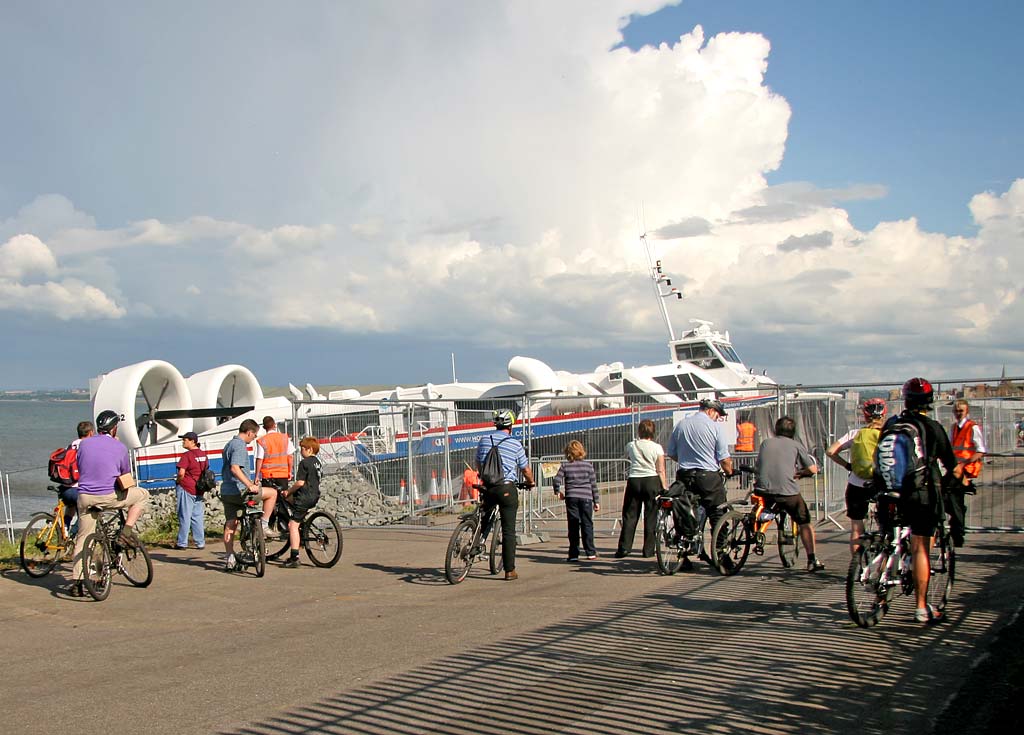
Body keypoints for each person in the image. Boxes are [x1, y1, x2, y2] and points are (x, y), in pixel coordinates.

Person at [886, 378, 960, 624]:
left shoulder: (892, 424)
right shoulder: (932, 427)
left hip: (890, 490)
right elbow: (952, 466)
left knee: (891, 535)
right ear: (929, 401)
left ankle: (880, 590)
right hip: (921, 493)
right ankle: (920, 607)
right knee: (920, 546)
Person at [68, 410, 150, 597]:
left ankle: (77, 582)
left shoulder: (84, 444)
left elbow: (81, 467)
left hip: (85, 496)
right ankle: (126, 532)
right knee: (142, 495)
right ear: (114, 428)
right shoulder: (119, 447)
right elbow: (125, 474)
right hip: (108, 495)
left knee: (83, 538)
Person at [666, 398, 733, 569]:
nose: (718, 419)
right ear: (711, 411)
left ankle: (684, 554)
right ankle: (721, 554)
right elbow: (724, 458)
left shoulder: (681, 425)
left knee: (685, 512)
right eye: (718, 415)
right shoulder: (715, 427)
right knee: (718, 513)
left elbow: (672, 453)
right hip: (708, 476)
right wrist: (729, 472)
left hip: (685, 475)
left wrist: (687, 460)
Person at [754, 416, 824, 571]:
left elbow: (760, 466)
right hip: (786, 492)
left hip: (763, 489)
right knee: (804, 521)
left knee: (765, 506)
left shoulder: (765, 443)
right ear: (793, 431)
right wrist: (801, 473)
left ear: (775, 430)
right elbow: (812, 469)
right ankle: (812, 559)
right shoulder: (795, 445)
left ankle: (757, 529)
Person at [474, 409, 535, 581]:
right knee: (508, 530)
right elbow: (525, 469)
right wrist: (530, 482)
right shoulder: (515, 444)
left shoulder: (484, 439)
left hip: (487, 486)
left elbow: (478, 462)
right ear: (511, 425)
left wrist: (483, 477)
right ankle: (509, 571)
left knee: (484, 517)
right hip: (506, 488)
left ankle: (476, 542)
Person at [826, 398, 888, 554]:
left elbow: (830, 451)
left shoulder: (855, 433)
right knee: (886, 526)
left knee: (856, 526)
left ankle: (857, 567)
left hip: (856, 483)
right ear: (884, 415)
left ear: (865, 416)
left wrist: (847, 465)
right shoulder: (887, 435)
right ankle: (883, 567)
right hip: (880, 483)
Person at [220, 419, 278, 572]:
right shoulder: (239, 445)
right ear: (249, 432)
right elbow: (235, 468)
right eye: (254, 436)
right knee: (272, 493)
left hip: (227, 491)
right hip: (241, 491)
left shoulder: (229, 444)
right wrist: (249, 484)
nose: (253, 439)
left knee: (231, 523)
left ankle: (229, 557)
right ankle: (264, 524)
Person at [615, 419, 666, 559]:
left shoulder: (631, 445)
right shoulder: (657, 448)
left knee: (630, 515)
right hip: (651, 480)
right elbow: (660, 469)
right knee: (651, 516)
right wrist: (665, 487)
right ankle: (648, 550)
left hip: (634, 480)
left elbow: (626, 457)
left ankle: (624, 548)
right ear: (653, 432)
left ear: (639, 431)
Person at [279, 436, 323, 568]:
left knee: (292, 524)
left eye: (302, 449)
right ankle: (301, 529)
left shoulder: (304, 463)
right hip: (315, 495)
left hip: (304, 496)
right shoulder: (317, 462)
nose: (301, 452)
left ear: (309, 449)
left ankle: (294, 557)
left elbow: (300, 482)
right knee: (294, 508)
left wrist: (289, 491)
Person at [552, 440, 600, 561]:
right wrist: (597, 501)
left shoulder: (565, 466)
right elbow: (593, 485)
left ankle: (573, 554)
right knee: (587, 524)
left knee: (573, 525)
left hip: (571, 497)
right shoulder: (588, 466)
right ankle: (590, 552)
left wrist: (557, 491)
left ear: (568, 453)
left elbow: (556, 480)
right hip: (587, 497)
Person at [948, 399, 986, 546]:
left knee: (954, 497)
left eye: (961, 411)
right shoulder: (954, 428)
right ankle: (956, 528)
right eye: (956, 411)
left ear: (967, 411)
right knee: (952, 497)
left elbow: (980, 450)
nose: (958, 413)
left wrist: (964, 463)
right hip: (956, 468)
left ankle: (957, 530)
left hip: (966, 469)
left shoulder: (972, 427)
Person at [255, 416, 292, 538]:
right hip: (282, 474)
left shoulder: (262, 441)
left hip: (268, 475)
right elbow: (290, 456)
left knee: (269, 501)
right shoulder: (284, 438)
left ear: (264, 427)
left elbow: (259, 459)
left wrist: (256, 475)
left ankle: (268, 527)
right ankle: (284, 527)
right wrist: (289, 472)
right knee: (283, 500)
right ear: (275, 425)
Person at [56, 420, 94, 533]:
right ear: (91, 433)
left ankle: (65, 529)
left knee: (71, 506)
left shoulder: (70, 447)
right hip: (78, 490)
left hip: (65, 489)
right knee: (87, 514)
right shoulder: (88, 447)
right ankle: (75, 534)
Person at [174, 431, 209, 550]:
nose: (183, 441)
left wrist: (178, 481)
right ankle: (200, 542)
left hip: (186, 488)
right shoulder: (203, 455)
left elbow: (181, 473)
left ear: (193, 441)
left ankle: (182, 542)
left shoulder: (186, 455)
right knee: (197, 517)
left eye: (185, 440)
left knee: (185, 515)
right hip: (199, 489)